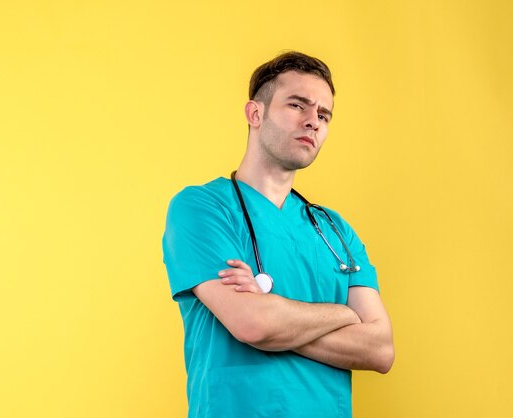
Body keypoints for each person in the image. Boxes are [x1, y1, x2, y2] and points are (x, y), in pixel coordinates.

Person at [162, 51, 394, 418]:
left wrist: (274, 316)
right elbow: (253, 324)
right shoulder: (202, 208)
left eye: (323, 115)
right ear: (256, 114)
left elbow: (381, 350)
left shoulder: (335, 231)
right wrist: (344, 314)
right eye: (297, 105)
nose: (313, 122)